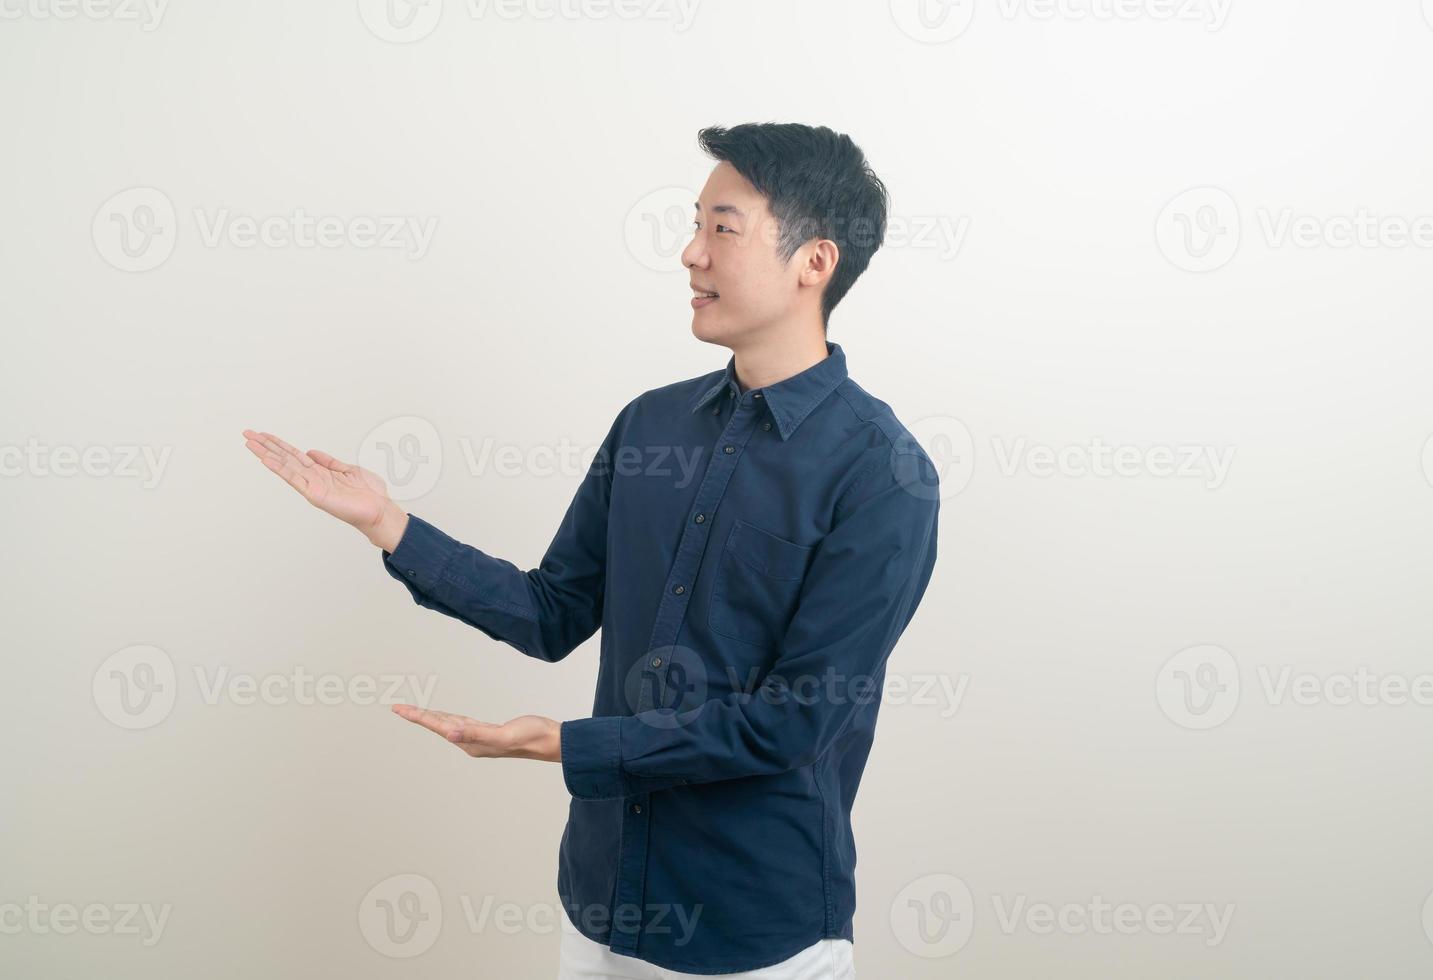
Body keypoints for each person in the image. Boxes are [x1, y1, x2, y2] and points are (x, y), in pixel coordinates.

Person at [243, 122, 939, 979]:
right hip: (599, 903)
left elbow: (798, 719)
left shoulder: (884, 473)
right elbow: (552, 611)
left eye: (722, 228)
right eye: (694, 224)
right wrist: (389, 525)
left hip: (755, 934)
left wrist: (569, 746)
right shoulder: (649, 424)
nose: (690, 254)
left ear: (814, 262)